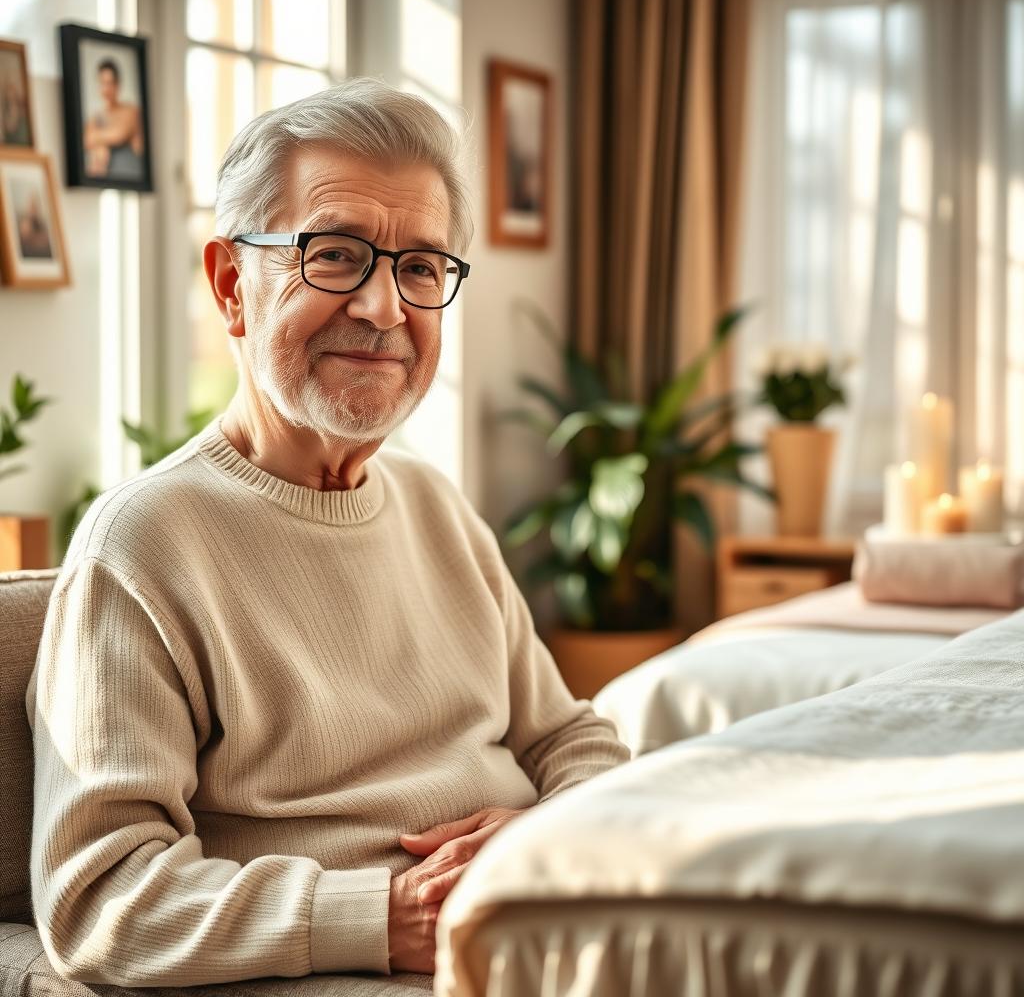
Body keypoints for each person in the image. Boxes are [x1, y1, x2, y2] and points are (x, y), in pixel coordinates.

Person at [27, 77, 631, 987]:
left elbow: (571, 741)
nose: (385, 308)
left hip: (536, 923)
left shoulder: (437, 508)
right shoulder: (143, 544)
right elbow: (102, 900)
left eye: (421, 267)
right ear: (232, 285)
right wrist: (388, 918)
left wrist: (547, 832)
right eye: (338, 254)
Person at [82, 56, 144, 179]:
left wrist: (98, 138)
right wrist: (101, 144)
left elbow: (119, 134)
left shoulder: (131, 111)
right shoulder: (97, 116)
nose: (106, 89)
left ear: (117, 84)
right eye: (102, 83)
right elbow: (87, 139)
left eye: (109, 83)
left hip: (131, 174)